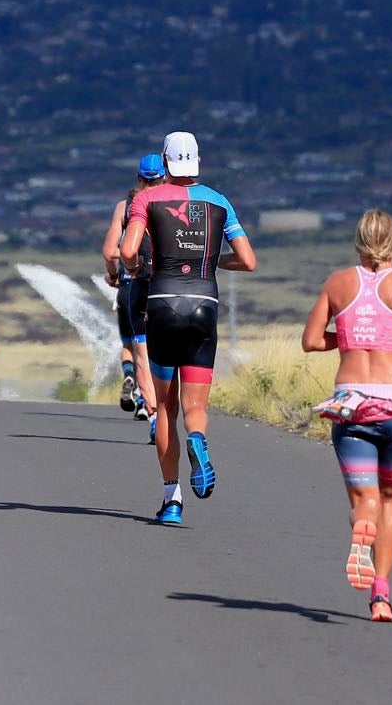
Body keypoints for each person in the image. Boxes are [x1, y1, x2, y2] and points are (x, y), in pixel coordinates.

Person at [302, 209, 392, 623]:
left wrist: (344, 338)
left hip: (350, 406)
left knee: (364, 501)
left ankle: (361, 526)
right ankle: (380, 594)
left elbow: (310, 341)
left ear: (359, 242)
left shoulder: (337, 283)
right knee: (390, 499)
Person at [117, 130, 257, 526]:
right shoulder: (219, 202)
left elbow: (128, 250)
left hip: (160, 304)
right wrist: (212, 264)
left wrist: (134, 269)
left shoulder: (146, 198)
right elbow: (247, 260)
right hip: (203, 306)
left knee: (165, 407)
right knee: (195, 408)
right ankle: (198, 439)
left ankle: (172, 499)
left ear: (165, 161)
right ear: (197, 161)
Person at [102, 154, 166, 433]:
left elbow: (109, 251)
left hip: (136, 284)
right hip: (174, 286)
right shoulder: (177, 201)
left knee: (138, 351)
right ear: (165, 177)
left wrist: (120, 272)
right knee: (167, 353)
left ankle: (153, 417)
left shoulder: (126, 206)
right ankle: (175, 414)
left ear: (139, 177)